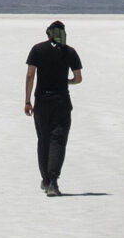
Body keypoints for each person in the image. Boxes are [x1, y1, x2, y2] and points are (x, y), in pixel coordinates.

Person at [23, 20, 83, 196]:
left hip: (42, 101)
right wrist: (67, 81)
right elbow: (78, 78)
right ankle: (53, 181)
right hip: (62, 101)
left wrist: (27, 101)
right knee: (58, 140)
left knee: (43, 140)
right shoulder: (70, 52)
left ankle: (46, 179)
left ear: (48, 33)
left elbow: (30, 75)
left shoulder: (37, 49)